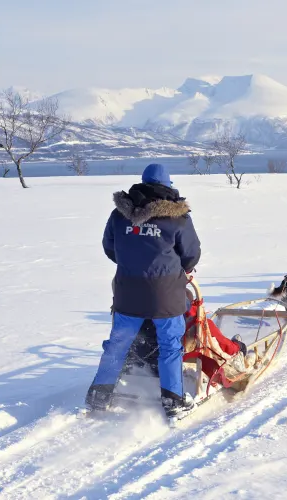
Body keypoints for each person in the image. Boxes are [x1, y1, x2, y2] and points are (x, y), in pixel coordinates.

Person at [85, 163, 201, 420]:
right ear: (168, 186)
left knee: (117, 344)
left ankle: (99, 395)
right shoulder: (178, 218)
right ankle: (173, 401)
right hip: (166, 295)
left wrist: (133, 264)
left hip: (128, 293)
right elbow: (191, 255)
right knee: (170, 346)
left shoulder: (119, 215)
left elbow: (110, 247)